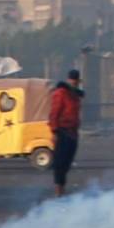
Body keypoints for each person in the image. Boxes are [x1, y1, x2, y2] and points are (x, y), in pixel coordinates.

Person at [47, 67, 83, 196]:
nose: (74, 82)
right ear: (69, 80)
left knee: (67, 162)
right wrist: (55, 131)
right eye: (72, 80)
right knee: (60, 163)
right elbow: (54, 113)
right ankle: (59, 190)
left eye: (76, 80)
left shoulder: (75, 96)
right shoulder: (61, 93)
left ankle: (62, 187)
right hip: (62, 131)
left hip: (72, 133)